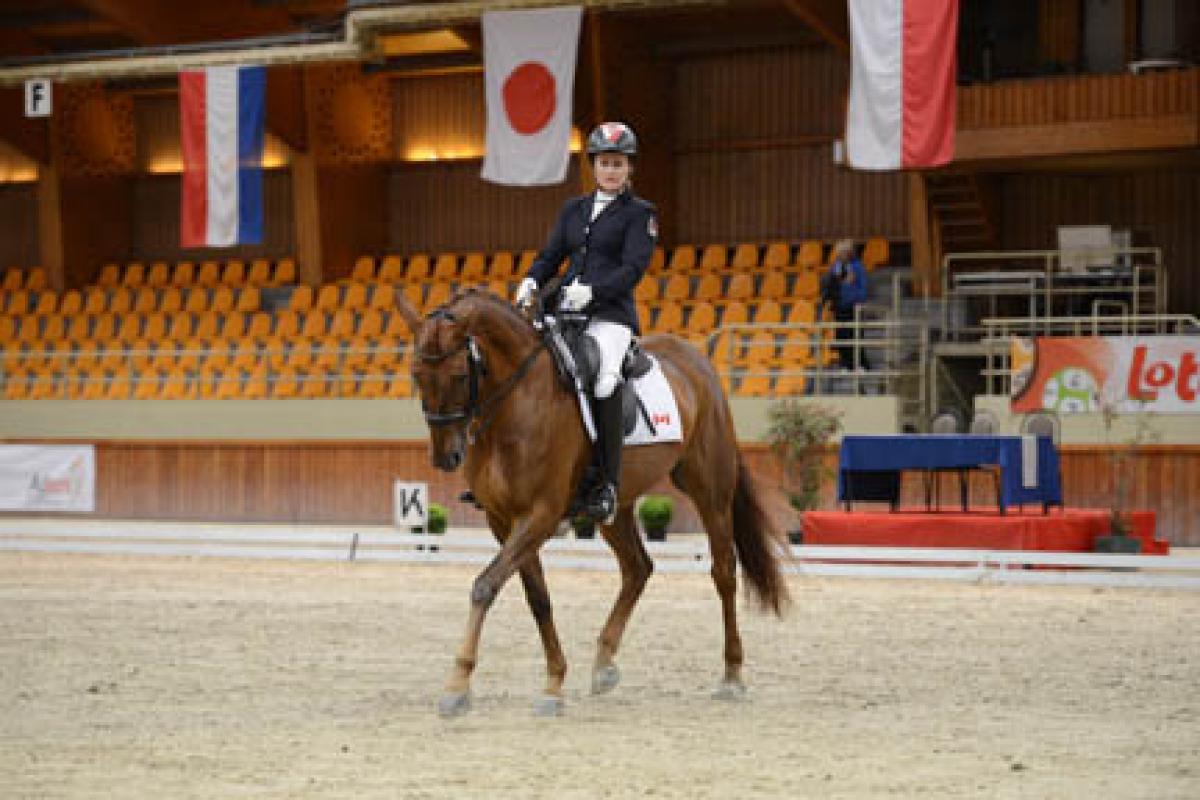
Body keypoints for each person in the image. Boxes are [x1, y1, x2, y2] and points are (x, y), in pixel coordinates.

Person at [514, 121, 658, 524]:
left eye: (618, 163)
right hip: (564, 312)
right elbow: (551, 254)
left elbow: (633, 269)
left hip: (610, 317)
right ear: (593, 166)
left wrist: (593, 293)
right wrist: (531, 279)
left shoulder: (640, 214)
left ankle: (607, 484)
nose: (611, 170)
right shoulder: (572, 209)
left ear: (630, 168)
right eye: (604, 163)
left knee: (605, 379)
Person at [824, 238, 869, 371]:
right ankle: (846, 363)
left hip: (853, 306)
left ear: (850, 252)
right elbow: (829, 284)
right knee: (841, 336)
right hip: (839, 306)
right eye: (840, 252)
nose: (842, 254)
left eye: (844, 251)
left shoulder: (858, 267)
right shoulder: (835, 267)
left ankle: (860, 364)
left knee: (855, 335)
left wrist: (858, 299)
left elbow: (862, 287)